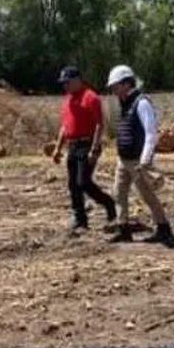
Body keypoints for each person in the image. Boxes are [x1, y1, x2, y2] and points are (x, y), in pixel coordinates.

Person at [106, 65, 174, 247]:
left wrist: (145, 160)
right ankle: (123, 229)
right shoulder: (125, 103)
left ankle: (163, 228)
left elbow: (151, 134)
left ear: (126, 84)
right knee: (118, 193)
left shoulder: (142, 103)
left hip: (138, 160)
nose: (113, 91)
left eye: (115, 86)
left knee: (147, 195)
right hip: (124, 159)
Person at [51, 65, 116, 233]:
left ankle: (108, 203)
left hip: (87, 144)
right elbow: (65, 126)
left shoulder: (90, 97)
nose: (65, 86)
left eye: (68, 82)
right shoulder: (67, 100)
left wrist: (94, 149)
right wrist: (58, 148)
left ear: (77, 80)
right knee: (73, 184)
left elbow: (99, 124)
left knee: (83, 182)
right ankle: (80, 219)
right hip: (73, 145)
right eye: (63, 83)